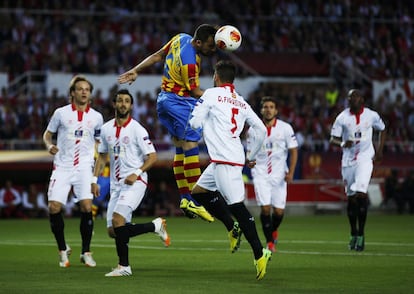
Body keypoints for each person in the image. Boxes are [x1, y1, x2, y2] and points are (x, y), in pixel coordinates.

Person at [118, 24, 218, 222]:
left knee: (181, 148)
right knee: (191, 145)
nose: (212, 50)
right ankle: (194, 199)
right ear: (198, 43)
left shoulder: (180, 37)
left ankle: (184, 198)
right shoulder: (189, 63)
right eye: (210, 46)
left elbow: (156, 55)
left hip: (164, 100)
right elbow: (195, 92)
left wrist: (135, 70)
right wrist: (220, 95)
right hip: (179, 101)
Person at [189, 60, 271, 280]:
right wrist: (251, 156)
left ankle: (259, 251)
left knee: (238, 207)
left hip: (226, 161)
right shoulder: (242, 102)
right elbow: (261, 130)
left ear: (216, 76)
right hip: (225, 158)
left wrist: (197, 120)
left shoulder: (211, 94)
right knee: (198, 192)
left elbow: (195, 123)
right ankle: (231, 227)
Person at [92, 89, 170, 277]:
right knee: (113, 231)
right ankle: (155, 226)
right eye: (120, 101)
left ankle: (124, 267)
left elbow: (152, 157)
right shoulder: (106, 129)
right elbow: (102, 157)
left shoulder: (137, 129)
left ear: (131, 106)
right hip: (116, 184)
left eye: (127, 101)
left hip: (136, 181)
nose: (123, 104)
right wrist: (94, 179)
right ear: (114, 104)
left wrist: (136, 173)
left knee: (118, 220)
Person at [43, 75, 104, 267]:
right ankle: (63, 250)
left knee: (87, 206)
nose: (84, 91)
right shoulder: (60, 113)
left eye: (87, 89)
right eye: (80, 89)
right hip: (62, 166)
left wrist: (95, 176)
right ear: (72, 93)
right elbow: (47, 134)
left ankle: (86, 252)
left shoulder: (96, 117)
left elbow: (99, 146)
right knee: (54, 207)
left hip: (84, 167)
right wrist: (48, 145)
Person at [330, 89, 386, 252]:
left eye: (355, 97)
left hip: (365, 158)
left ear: (362, 99)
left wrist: (380, 149)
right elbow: (332, 138)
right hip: (348, 161)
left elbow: (383, 129)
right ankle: (353, 232)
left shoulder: (371, 115)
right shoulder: (342, 117)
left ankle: (361, 234)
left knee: (361, 193)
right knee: (352, 198)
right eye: (349, 98)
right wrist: (342, 144)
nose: (352, 100)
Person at [246, 96, 298, 252]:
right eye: (265, 107)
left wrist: (291, 172)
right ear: (261, 110)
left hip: (279, 175)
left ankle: (273, 230)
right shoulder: (253, 129)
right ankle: (269, 242)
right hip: (260, 173)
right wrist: (250, 160)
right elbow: (249, 151)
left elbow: (294, 151)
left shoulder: (285, 128)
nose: (268, 109)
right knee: (266, 209)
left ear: (276, 110)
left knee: (279, 212)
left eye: (271, 107)